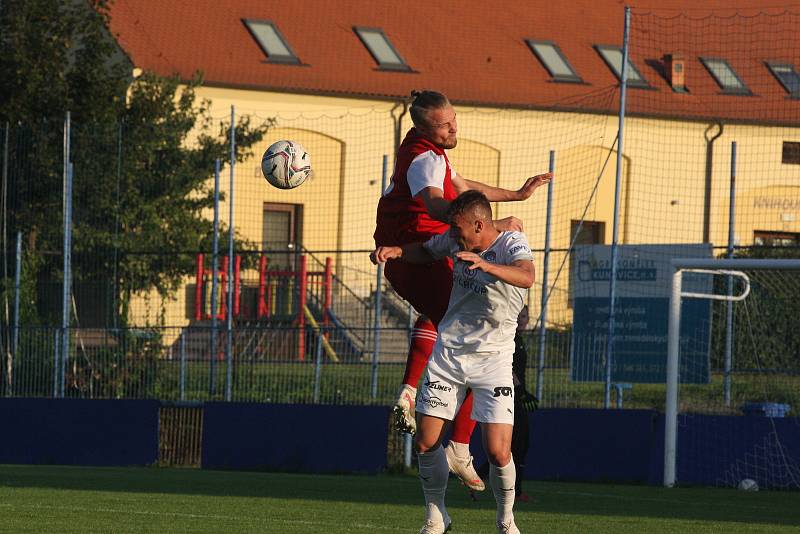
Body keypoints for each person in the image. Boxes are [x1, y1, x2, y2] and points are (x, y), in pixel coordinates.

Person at [373, 89, 550, 491]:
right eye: (444, 124)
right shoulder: (423, 159)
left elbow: (464, 188)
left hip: (419, 254)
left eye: (454, 119)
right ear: (423, 127)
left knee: (466, 334)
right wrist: (487, 227)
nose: (453, 128)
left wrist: (516, 194)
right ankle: (457, 443)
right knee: (482, 340)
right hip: (420, 255)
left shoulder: (432, 151)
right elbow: (438, 206)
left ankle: (422, 403)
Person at [371, 190, 534, 534]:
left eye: (459, 231)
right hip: (449, 355)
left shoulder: (512, 243)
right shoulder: (455, 239)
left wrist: (488, 265)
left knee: (497, 451)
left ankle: (506, 521)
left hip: (494, 360)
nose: (454, 236)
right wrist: (397, 251)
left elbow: (527, 275)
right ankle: (436, 516)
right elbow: (426, 250)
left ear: (479, 224)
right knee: (426, 442)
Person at [476, 305, 539, 503]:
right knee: (514, 445)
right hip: (508, 396)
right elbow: (504, 365)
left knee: (514, 446)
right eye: (519, 316)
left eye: (525, 316)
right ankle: (514, 491)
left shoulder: (518, 338)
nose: (522, 319)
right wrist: (521, 391)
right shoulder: (508, 337)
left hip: (516, 396)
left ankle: (478, 480)